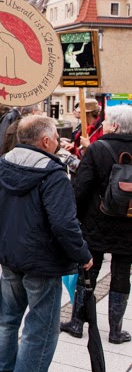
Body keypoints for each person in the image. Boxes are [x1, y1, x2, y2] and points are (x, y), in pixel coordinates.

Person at [0, 115, 93, 372]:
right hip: (41, 261)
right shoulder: (53, 173)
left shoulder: (3, 163)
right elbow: (64, 224)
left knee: (7, 321)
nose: (58, 141)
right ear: (45, 141)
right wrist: (83, 255)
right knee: (40, 330)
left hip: (10, 254)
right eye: (55, 137)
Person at [62, 104, 132, 344]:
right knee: (122, 274)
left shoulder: (97, 149)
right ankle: (115, 331)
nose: (104, 125)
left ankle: (77, 323)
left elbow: (81, 188)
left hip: (96, 220)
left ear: (115, 125)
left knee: (89, 270)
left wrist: (75, 218)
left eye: (107, 122)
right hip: (129, 224)